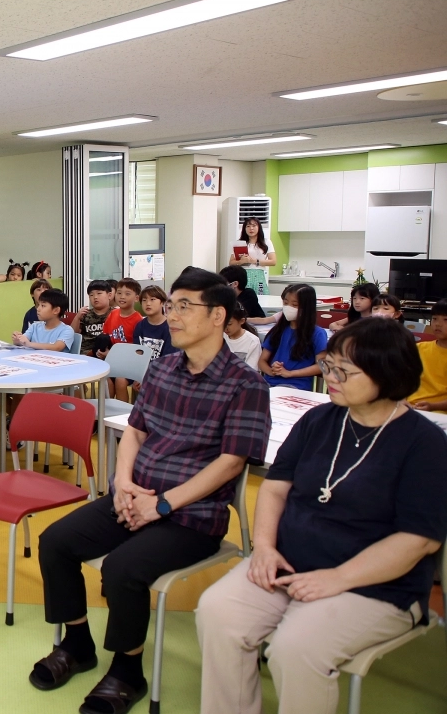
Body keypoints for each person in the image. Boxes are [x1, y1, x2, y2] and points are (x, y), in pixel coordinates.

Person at [31, 268, 269, 714]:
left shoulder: (246, 384)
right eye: (171, 305)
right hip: (134, 495)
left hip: (192, 516)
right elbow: (135, 432)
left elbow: (231, 462)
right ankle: (77, 645)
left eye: (184, 307)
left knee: (122, 568)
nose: (172, 315)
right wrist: (122, 482)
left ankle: (127, 672)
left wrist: (161, 504)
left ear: (218, 315)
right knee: (56, 542)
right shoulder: (162, 369)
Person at [196, 318, 446, 714]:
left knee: (296, 648)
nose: (330, 377)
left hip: (375, 586)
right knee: (217, 612)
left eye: (344, 371)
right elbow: (276, 487)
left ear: (388, 374)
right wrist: (264, 548)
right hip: (289, 563)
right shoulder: (319, 419)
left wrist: (337, 578)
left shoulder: (425, 444)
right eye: (329, 365)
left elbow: (418, 540)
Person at [260, 283, 327, 391]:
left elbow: (321, 365)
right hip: (270, 383)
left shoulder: (317, 333)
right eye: (286, 303)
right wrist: (271, 370)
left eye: (294, 305)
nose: (288, 308)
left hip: (296, 386)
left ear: (306, 308)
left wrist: (290, 373)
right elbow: (262, 361)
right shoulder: (278, 330)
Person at [409, 298, 447, 413]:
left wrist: (432, 406)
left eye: (446, 320)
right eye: (434, 319)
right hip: (409, 407)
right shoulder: (419, 348)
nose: (438, 324)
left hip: (438, 412)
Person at [132, 286, 176, 360]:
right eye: (144, 300)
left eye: (152, 299)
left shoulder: (171, 327)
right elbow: (137, 353)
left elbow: (170, 358)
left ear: (162, 302)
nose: (148, 303)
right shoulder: (140, 326)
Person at [71, 280, 114, 355]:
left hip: (108, 351)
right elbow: (73, 333)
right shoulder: (85, 314)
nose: (95, 297)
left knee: (103, 338)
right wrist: (77, 317)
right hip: (86, 352)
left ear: (109, 295)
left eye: (99, 293)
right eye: (91, 295)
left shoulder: (115, 313)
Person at [103, 278, 142, 345]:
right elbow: (105, 335)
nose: (122, 297)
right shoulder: (113, 313)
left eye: (127, 294)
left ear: (136, 298)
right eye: (119, 293)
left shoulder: (138, 321)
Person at [224, 303, 261, 371]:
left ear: (242, 321)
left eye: (229, 324)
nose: (225, 327)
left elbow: (251, 371)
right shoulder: (220, 337)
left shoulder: (252, 341)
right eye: (223, 323)